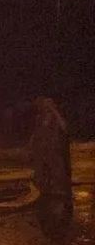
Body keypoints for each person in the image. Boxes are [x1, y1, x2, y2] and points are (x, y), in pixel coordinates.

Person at [30, 97, 73, 236]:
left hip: (54, 157)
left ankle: (58, 218)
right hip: (46, 158)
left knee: (57, 185)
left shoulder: (55, 121)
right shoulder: (42, 119)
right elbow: (37, 138)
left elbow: (58, 138)